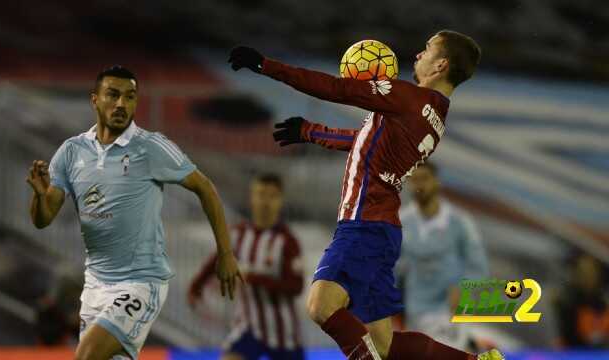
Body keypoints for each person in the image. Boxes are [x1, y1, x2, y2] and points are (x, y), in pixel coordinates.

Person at [228, 30, 502, 360]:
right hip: (382, 230)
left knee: (321, 305)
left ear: (441, 64)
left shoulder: (407, 99)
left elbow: (335, 88)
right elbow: (365, 141)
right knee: (384, 343)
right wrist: (310, 131)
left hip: (364, 225)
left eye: (427, 49)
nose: (418, 55)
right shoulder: (433, 115)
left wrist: (264, 65)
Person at [26, 65, 242, 360]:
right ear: (94, 100)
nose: (121, 104)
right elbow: (43, 219)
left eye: (129, 97)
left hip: (140, 282)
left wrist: (226, 254)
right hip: (95, 287)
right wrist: (39, 196)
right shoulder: (71, 152)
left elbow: (205, 188)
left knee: (86, 356)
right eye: (113, 95)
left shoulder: (150, 147)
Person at [188, 173, 305, 360]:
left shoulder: (288, 242)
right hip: (249, 327)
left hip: (284, 334)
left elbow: (295, 287)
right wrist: (196, 286)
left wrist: (253, 277)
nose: (265, 202)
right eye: (260, 194)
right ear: (251, 198)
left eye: (272, 196)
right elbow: (216, 260)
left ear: (280, 201)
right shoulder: (238, 235)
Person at [397, 162, 488, 351]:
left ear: (437, 182)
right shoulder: (401, 222)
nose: (419, 185)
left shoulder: (460, 222)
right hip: (416, 312)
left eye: (424, 179)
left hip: (451, 311)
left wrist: (463, 291)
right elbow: (393, 268)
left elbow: (478, 267)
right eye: (414, 181)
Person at [554, 253, 609, 349]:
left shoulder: (603, 302)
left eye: (592, 272)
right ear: (576, 275)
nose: (588, 277)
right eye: (583, 273)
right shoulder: (567, 303)